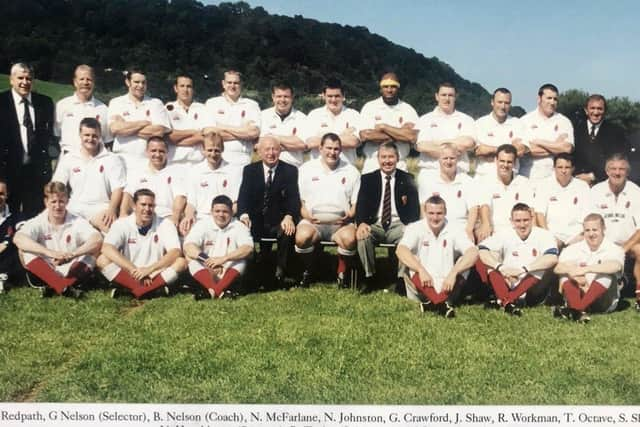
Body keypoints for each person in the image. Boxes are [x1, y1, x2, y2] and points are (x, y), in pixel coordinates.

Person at [13, 182, 102, 298]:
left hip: (71, 267)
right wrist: (50, 253)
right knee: (24, 250)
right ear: (46, 202)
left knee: (95, 250)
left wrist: (73, 254)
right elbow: (18, 238)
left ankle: (58, 286)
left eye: (61, 201)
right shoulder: (39, 221)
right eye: (53, 202)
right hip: (46, 267)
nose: (58, 206)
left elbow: (97, 238)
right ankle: (63, 287)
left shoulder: (76, 220)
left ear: (67, 201)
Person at [396, 196, 479, 318]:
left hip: (447, 286)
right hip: (422, 284)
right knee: (410, 257)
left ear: (445, 212)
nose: (435, 218)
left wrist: (453, 273)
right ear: (424, 212)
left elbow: (473, 252)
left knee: (464, 261)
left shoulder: (455, 228)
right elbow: (400, 250)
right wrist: (421, 269)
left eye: (439, 213)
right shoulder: (415, 227)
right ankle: (440, 303)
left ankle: (434, 303)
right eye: (431, 213)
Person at [295, 133, 360, 287]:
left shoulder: (351, 171)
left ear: (341, 150)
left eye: (336, 149)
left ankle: (341, 272)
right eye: (328, 148)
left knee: (350, 239)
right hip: (313, 222)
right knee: (302, 238)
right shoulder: (306, 169)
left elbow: (355, 203)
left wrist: (349, 215)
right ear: (320, 148)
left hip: (340, 224)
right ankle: (309, 269)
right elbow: (300, 201)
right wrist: (307, 216)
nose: (332, 152)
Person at [97, 189, 187, 299]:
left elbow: (175, 252)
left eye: (151, 205)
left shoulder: (165, 224)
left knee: (181, 262)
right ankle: (151, 290)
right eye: (143, 205)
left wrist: (149, 269)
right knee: (102, 259)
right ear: (134, 206)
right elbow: (107, 248)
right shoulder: (122, 223)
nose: (147, 209)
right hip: (131, 273)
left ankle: (133, 290)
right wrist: (134, 270)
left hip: (155, 272)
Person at [355, 142, 420, 293]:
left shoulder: (408, 178)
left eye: (391, 157)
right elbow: (361, 205)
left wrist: (410, 226)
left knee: (409, 235)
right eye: (383, 157)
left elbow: (414, 209)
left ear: (397, 158)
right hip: (375, 223)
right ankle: (369, 278)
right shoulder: (367, 179)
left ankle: (401, 280)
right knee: (363, 235)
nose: (387, 161)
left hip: (398, 224)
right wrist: (361, 223)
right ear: (378, 159)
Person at [237, 136, 300, 289]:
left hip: (279, 220)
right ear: (259, 152)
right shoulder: (250, 170)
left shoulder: (290, 170)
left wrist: (289, 216)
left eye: (275, 149)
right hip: (255, 220)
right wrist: (244, 215)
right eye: (267, 149)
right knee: (239, 229)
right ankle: (247, 272)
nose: (271, 153)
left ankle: (281, 272)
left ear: (280, 151)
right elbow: (243, 196)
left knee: (287, 230)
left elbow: (293, 198)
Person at [477, 203, 559, 316]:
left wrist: (523, 269)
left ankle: (506, 300)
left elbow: (552, 258)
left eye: (525, 220)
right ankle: (509, 303)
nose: (522, 225)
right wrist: (501, 268)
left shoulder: (544, 235)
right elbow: (482, 249)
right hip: (508, 279)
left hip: (532, 288)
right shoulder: (505, 233)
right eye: (518, 221)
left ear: (532, 219)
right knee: (488, 259)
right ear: (511, 221)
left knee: (543, 264)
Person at [0, 63, 55, 217]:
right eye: (20, 78)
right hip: (9, 171)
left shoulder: (45, 103)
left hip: (36, 174)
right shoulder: (2, 102)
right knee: (7, 219)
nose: (25, 82)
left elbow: (49, 138)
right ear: (11, 80)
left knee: (35, 217)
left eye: (29, 78)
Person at [52, 117, 125, 233]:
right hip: (74, 208)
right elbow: (57, 185)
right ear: (80, 135)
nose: (90, 139)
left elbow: (117, 189)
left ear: (100, 136)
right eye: (87, 135)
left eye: (94, 136)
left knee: (114, 234)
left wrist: (111, 210)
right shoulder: (69, 158)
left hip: (101, 208)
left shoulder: (112, 159)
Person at [590, 153, 640, 306]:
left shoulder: (636, 191)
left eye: (621, 169)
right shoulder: (596, 191)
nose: (617, 172)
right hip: (603, 243)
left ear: (627, 172)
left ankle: (639, 295)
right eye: (613, 168)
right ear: (606, 171)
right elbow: (590, 222)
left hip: (628, 244)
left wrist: (624, 248)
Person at [553, 213, 624, 323]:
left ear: (603, 229)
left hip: (603, 302)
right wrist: (575, 275)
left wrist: (585, 270)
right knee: (565, 274)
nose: (591, 234)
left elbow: (615, 266)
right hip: (579, 292)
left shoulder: (614, 248)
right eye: (587, 230)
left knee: (606, 276)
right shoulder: (574, 248)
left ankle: (576, 309)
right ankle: (578, 311)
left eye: (595, 230)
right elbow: (558, 268)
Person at [183, 195, 253, 300]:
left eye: (225, 211)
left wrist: (223, 259)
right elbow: (188, 246)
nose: (221, 214)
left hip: (228, 268)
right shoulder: (202, 224)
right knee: (189, 257)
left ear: (232, 212)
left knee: (242, 259)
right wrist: (209, 261)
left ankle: (212, 291)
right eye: (217, 211)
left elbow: (248, 248)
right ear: (211, 211)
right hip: (207, 267)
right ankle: (220, 291)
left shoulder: (239, 226)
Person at [108, 68, 171, 172]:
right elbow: (115, 129)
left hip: (148, 161)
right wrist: (144, 123)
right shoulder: (116, 103)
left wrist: (125, 126)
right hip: (122, 160)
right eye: (136, 82)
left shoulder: (156, 103)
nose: (140, 86)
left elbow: (158, 132)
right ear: (128, 82)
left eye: (143, 82)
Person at [180, 132, 241, 235]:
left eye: (217, 150)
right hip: (201, 219)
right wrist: (189, 216)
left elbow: (235, 204)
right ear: (203, 150)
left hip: (225, 219)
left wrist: (222, 219)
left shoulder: (234, 171)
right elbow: (191, 203)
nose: (213, 154)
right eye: (209, 150)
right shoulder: (194, 171)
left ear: (222, 150)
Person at [417, 143, 479, 240]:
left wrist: (469, 230)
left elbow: (473, 209)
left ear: (457, 159)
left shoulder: (468, 181)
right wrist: (428, 230)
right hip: (437, 228)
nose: (449, 162)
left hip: (461, 228)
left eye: (452, 158)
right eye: (445, 158)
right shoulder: (428, 181)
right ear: (439, 160)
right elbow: (423, 208)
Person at [359, 72, 418, 173]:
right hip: (373, 165)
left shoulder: (408, 109)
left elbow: (412, 137)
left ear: (398, 88)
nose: (389, 90)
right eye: (386, 86)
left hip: (399, 165)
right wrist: (401, 133)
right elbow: (365, 135)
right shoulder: (369, 107)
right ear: (380, 88)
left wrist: (384, 127)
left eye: (393, 87)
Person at [121, 137, 186, 226]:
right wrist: (123, 213)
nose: (157, 154)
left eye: (161, 151)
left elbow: (179, 197)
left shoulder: (175, 172)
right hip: (141, 217)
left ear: (167, 152)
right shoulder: (138, 172)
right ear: (147, 152)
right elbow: (128, 195)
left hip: (165, 217)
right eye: (153, 151)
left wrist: (175, 217)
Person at [203, 70, 261, 169]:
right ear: (223, 84)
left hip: (243, 159)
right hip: (217, 158)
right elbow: (209, 133)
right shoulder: (212, 103)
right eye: (229, 82)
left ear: (241, 84)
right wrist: (243, 131)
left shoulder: (252, 105)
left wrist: (221, 126)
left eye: (236, 83)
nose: (232, 86)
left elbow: (253, 133)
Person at [415, 82, 476, 174]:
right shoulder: (425, 119)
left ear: (456, 97)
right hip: (431, 172)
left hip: (459, 172)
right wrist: (454, 147)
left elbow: (468, 143)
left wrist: (436, 143)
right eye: (443, 95)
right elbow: (422, 146)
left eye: (450, 95)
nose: (447, 99)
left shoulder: (466, 119)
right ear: (437, 96)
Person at [475, 144, 534, 239]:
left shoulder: (524, 182)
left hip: (517, 233)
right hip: (494, 232)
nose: (505, 165)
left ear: (514, 163)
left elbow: (530, 210)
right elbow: (484, 206)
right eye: (502, 161)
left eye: (509, 162)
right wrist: (486, 225)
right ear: (496, 160)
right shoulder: (486, 181)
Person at [533, 153, 591, 248]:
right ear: (554, 168)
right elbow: (540, 215)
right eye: (560, 167)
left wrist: (580, 236)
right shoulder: (543, 185)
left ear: (573, 169)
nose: (563, 171)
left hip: (577, 237)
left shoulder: (582, 186)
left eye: (567, 167)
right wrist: (549, 237)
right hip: (552, 236)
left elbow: (588, 216)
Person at [519, 83, 574, 183]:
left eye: (555, 99)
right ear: (539, 99)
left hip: (554, 180)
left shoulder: (564, 121)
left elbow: (567, 149)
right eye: (549, 98)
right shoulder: (524, 121)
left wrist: (540, 142)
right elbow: (524, 151)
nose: (552, 102)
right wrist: (556, 146)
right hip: (528, 177)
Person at [55, 64, 111, 156]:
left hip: (95, 159)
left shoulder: (103, 109)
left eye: (89, 79)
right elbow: (56, 134)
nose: (85, 82)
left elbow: (107, 140)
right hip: (69, 158)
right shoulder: (62, 105)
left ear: (94, 83)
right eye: (81, 79)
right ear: (75, 82)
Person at [573, 94, 627, 186]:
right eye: (592, 108)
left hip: (604, 183)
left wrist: (592, 176)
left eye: (599, 109)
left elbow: (617, 160)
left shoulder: (616, 132)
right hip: (577, 182)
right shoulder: (574, 129)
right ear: (586, 110)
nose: (596, 112)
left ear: (604, 111)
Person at [306, 78, 362, 165]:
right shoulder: (314, 115)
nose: (333, 100)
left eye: (337, 96)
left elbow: (354, 142)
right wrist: (343, 136)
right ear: (323, 96)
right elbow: (310, 143)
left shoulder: (353, 115)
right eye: (330, 96)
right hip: (318, 170)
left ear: (343, 96)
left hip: (346, 169)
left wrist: (321, 138)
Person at [474, 88, 526, 178]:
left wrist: (490, 151)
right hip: (484, 177)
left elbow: (520, 151)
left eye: (506, 103)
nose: (503, 106)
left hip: (510, 178)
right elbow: (479, 151)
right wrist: (510, 150)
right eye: (500, 102)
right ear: (492, 102)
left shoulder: (518, 124)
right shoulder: (480, 123)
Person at [259, 82, 308, 167]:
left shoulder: (302, 118)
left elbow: (302, 145)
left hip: (293, 168)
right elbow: (259, 144)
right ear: (273, 97)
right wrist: (291, 143)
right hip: (267, 169)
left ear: (292, 98)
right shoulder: (263, 116)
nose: (282, 100)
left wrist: (274, 138)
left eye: (286, 96)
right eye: (279, 96)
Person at [165, 74, 206, 167]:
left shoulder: (202, 108)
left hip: (198, 162)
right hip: (175, 162)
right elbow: (168, 138)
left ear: (193, 89)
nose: (185, 90)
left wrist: (177, 139)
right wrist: (193, 132)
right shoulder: (167, 109)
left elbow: (204, 137)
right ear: (176, 88)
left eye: (189, 86)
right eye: (182, 86)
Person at [0, 181, 22, 293]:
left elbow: (22, 231)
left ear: (7, 195)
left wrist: (6, 242)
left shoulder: (15, 217)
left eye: (1, 194)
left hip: (7, 260)